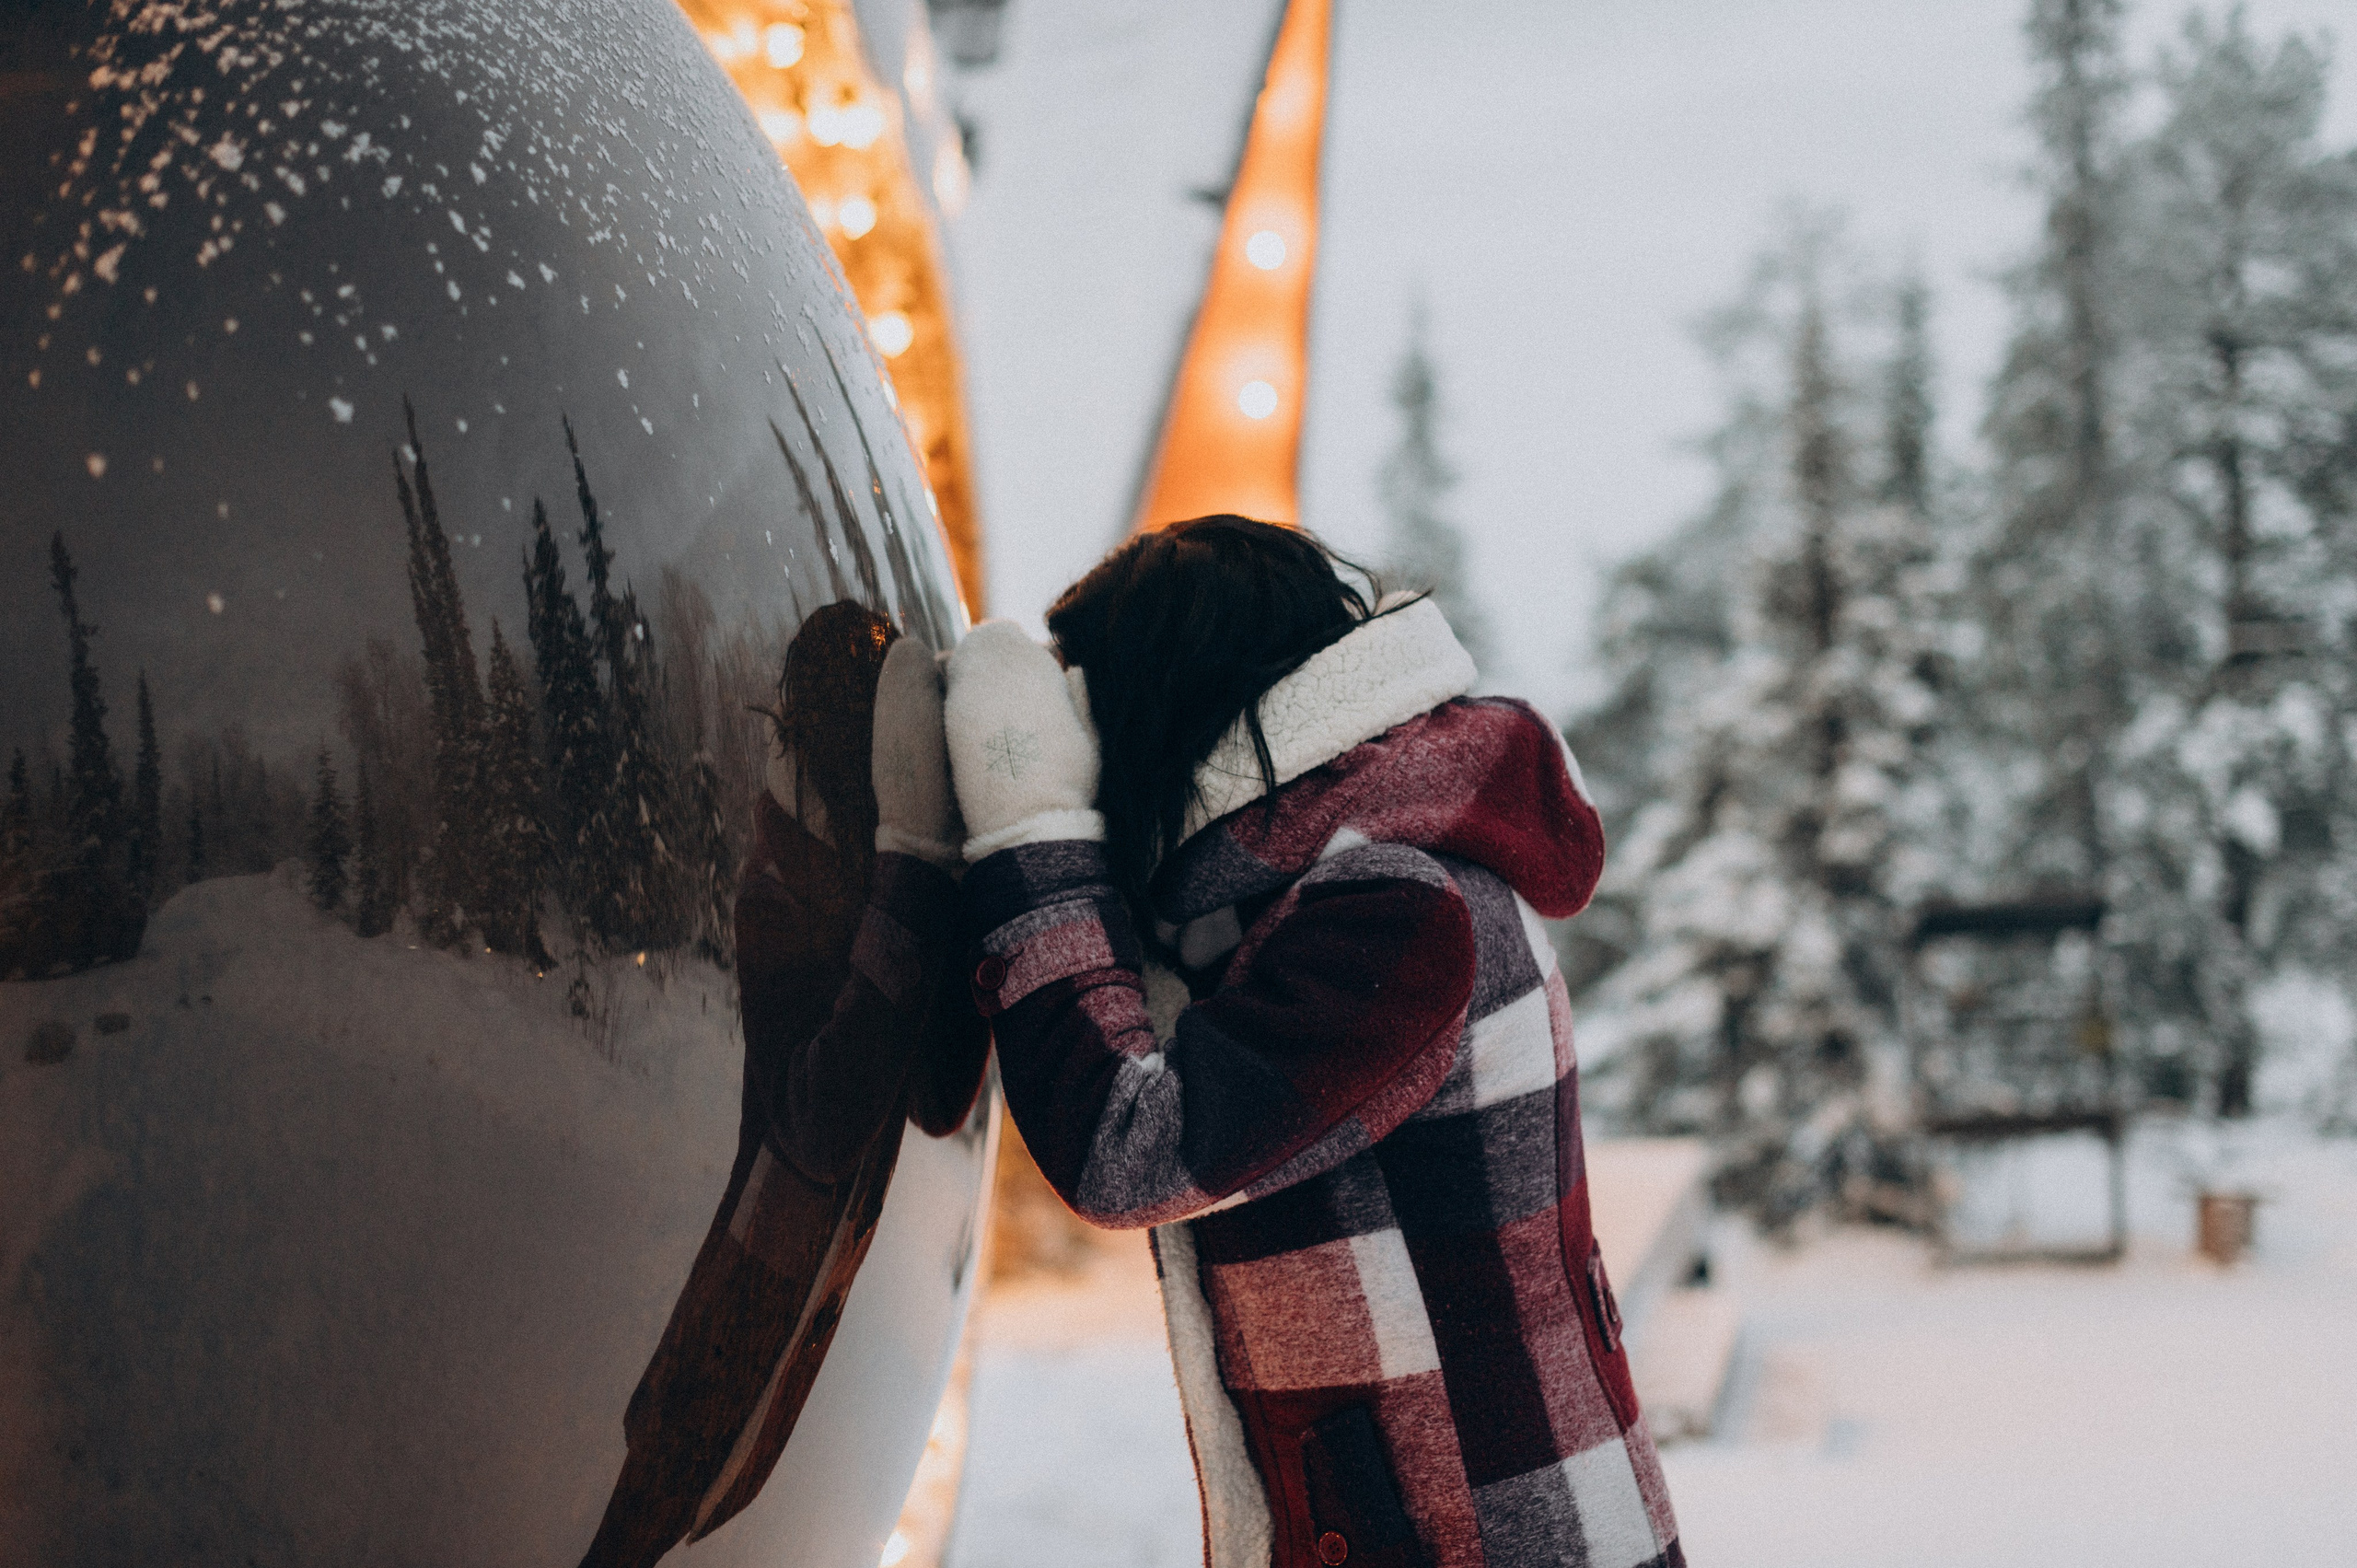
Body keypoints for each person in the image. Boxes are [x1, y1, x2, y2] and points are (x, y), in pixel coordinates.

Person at [941, 517, 1681, 1568]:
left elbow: (1131, 1149)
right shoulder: (1363, 876)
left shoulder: (1394, 907)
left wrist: (1034, 831)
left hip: (1488, 1534)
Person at [579, 601, 989, 1568]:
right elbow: (812, 1126)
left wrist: (962, 902)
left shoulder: (875, 875)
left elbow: (936, 1101)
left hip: (823, 1287)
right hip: (756, 1272)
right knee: (650, 1509)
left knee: (715, 1510)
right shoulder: (784, 885)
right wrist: (904, 898)